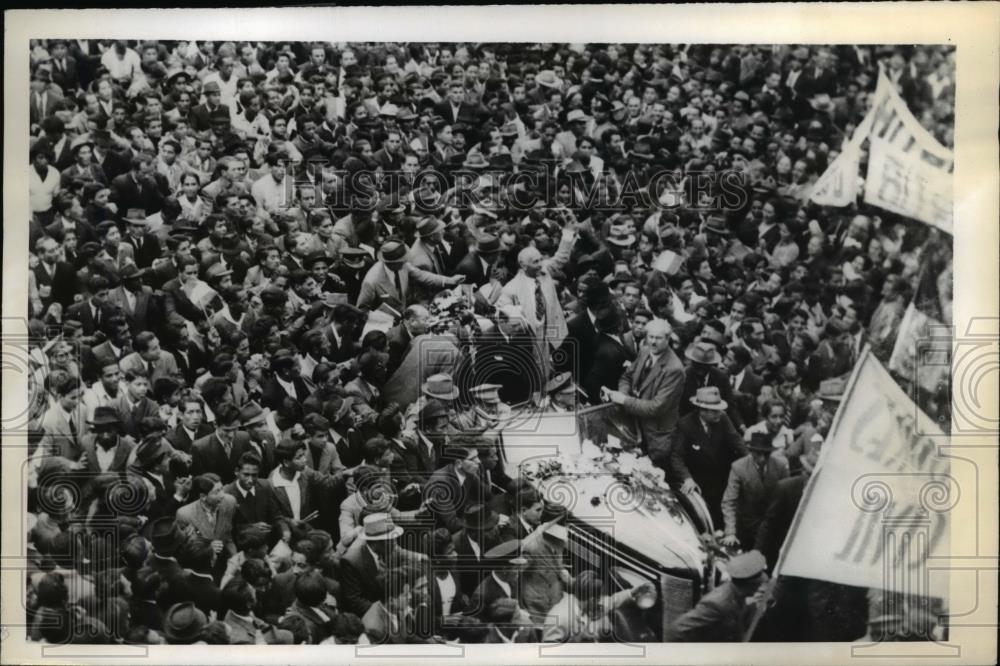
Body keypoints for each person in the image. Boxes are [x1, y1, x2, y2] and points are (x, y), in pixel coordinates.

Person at [605, 318, 686, 468]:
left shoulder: (674, 369)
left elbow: (656, 407)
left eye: (659, 338)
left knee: (653, 476)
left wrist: (624, 400)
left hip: (655, 436)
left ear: (668, 339)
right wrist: (624, 394)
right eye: (651, 337)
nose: (653, 342)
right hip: (634, 426)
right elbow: (627, 377)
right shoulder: (645, 351)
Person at [665, 550, 769, 642]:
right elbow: (676, 631)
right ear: (749, 583)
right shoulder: (718, 604)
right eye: (760, 580)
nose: (763, 581)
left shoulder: (740, 595)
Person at [720, 432, 790, 549]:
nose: (762, 458)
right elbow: (729, 502)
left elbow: (787, 498)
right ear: (751, 452)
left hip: (772, 527)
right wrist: (730, 532)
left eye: (766, 454)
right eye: (758, 454)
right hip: (746, 527)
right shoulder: (738, 467)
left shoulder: (781, 465)